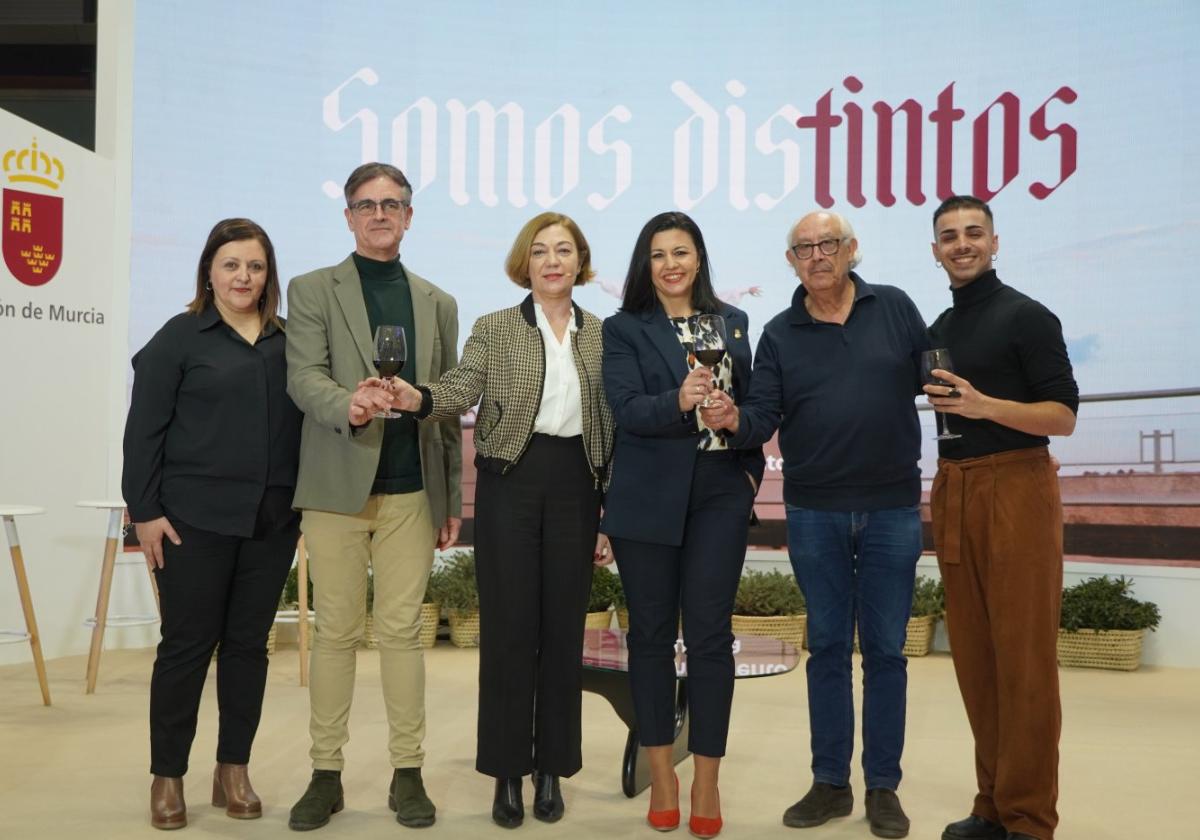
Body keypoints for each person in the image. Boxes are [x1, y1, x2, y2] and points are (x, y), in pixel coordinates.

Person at [378, 212, 615, 828]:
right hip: (512, 480)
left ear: (580, 261)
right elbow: (461, 386)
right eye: (540, 251)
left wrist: (609, 508)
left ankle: (553, 769)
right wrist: (418, 398)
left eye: (565, 250)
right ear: (525, 263)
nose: (553, 261)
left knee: (564, 634)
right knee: (510, 634)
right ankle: (507, 773)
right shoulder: (496, 327)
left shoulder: (604, 336)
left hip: (577, 486)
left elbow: (615, 425)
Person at [703, 210, 926, 839]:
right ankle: (831, 783)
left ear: (852, 250)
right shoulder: (778, 333)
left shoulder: (897, 308)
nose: (818, 255)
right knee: (827, 648)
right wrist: (728, 419)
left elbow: (937, 378)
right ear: (791, 261)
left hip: (892, 508)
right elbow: (762, 415)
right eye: (804, 248)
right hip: (814, 510)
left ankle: (883, 786)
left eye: (829, 244)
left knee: (885, 651)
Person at [284, 162, 462, 831]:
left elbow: (441, 408)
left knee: (400, 636)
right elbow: (303, 376)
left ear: (409, 216)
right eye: (366, 204)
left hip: (411, 490)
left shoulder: (437, 302)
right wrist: (350, 406)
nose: (380, 214)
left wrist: (450, 497)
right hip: (335, 486)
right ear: (349, 216)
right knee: (335, 635)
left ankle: (407, 774)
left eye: (392, 203)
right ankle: (325, 774)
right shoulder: (311, 290)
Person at [123, 218, 302, 830]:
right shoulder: (179, 337)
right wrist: (143, 512)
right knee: (186, 649)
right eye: (231, 265)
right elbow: (143, 430)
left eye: (254, 266)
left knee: (250, 649)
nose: (243, 277)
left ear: (267, 274)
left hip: (271, 521)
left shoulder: (289, 340)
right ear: (209, 271)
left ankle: (233, 769)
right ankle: (167, 776)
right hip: (190, 521)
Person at [601, 211, 764, 840]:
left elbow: (757, 407)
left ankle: (707, 780)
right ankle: (662, 774)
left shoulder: (734, 322)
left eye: (682, 251)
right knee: (648, 638)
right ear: (646, 264)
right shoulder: (623, 329)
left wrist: (739, 437)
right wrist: (679, 400)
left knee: (709, 638)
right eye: (659, 254)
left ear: (699, 258)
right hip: (646, 497)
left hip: (720, 492)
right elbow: (626, 410)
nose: (671, 264)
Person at [924, 195, 1078, 840]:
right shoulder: (939, 327)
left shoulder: (1028, 316)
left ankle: (1030, 819)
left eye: (973, 233)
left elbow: (1063, 416)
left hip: (1016, 485)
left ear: (994, 242)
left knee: (1024, 664)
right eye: (949, 236)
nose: (962, 244)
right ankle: (993, 803)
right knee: (977, 661)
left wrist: (987, 406)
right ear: (935, 250)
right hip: (955, 486)